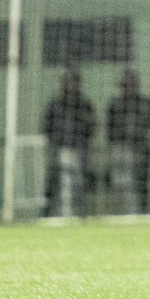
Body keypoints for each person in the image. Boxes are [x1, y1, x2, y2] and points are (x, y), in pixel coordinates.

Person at [43, 68, 96, 218]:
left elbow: (91, 127)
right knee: (62, 184)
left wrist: (81, 141)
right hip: (61, 150)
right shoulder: (55, 105)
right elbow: (47, 127)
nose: (70, 85)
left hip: (80, 151)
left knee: (79, 184)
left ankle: (80, 215)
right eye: (67, 82)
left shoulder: (84, 105)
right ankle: (61, 215)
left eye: (73, 82)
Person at [106, 68, 150, 214]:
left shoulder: (145, 102)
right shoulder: (114, 104)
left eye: (131, 83)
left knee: (141, 185)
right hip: (120, 150)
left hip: (140, 149)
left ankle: (143, 213)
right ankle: (121, 214)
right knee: (120, 185)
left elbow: (147, 124)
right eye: (125, 84)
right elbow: (110, 131)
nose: (128, 87)